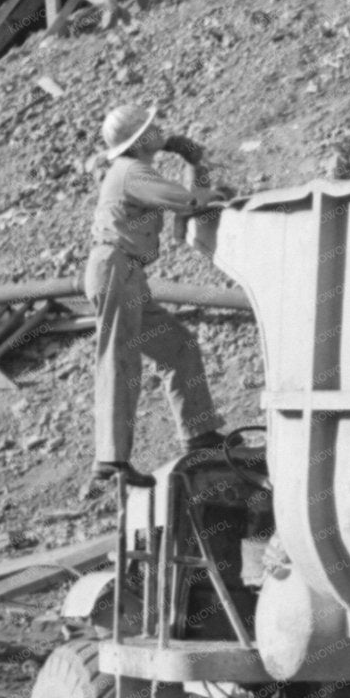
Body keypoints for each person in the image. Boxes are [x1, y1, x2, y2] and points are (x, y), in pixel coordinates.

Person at [86, 102, 228, 488]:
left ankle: (199, 434)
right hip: (116, 268)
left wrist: (195, 165)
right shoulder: (132, 172)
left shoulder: (132, 170)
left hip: (127, 271)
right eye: (151, 128)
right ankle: (111, 460)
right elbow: (190, 200)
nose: (160, 131)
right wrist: (199, 168)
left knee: (179, 346)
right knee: (120, 358)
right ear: (138, 141)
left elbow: (188, 199)